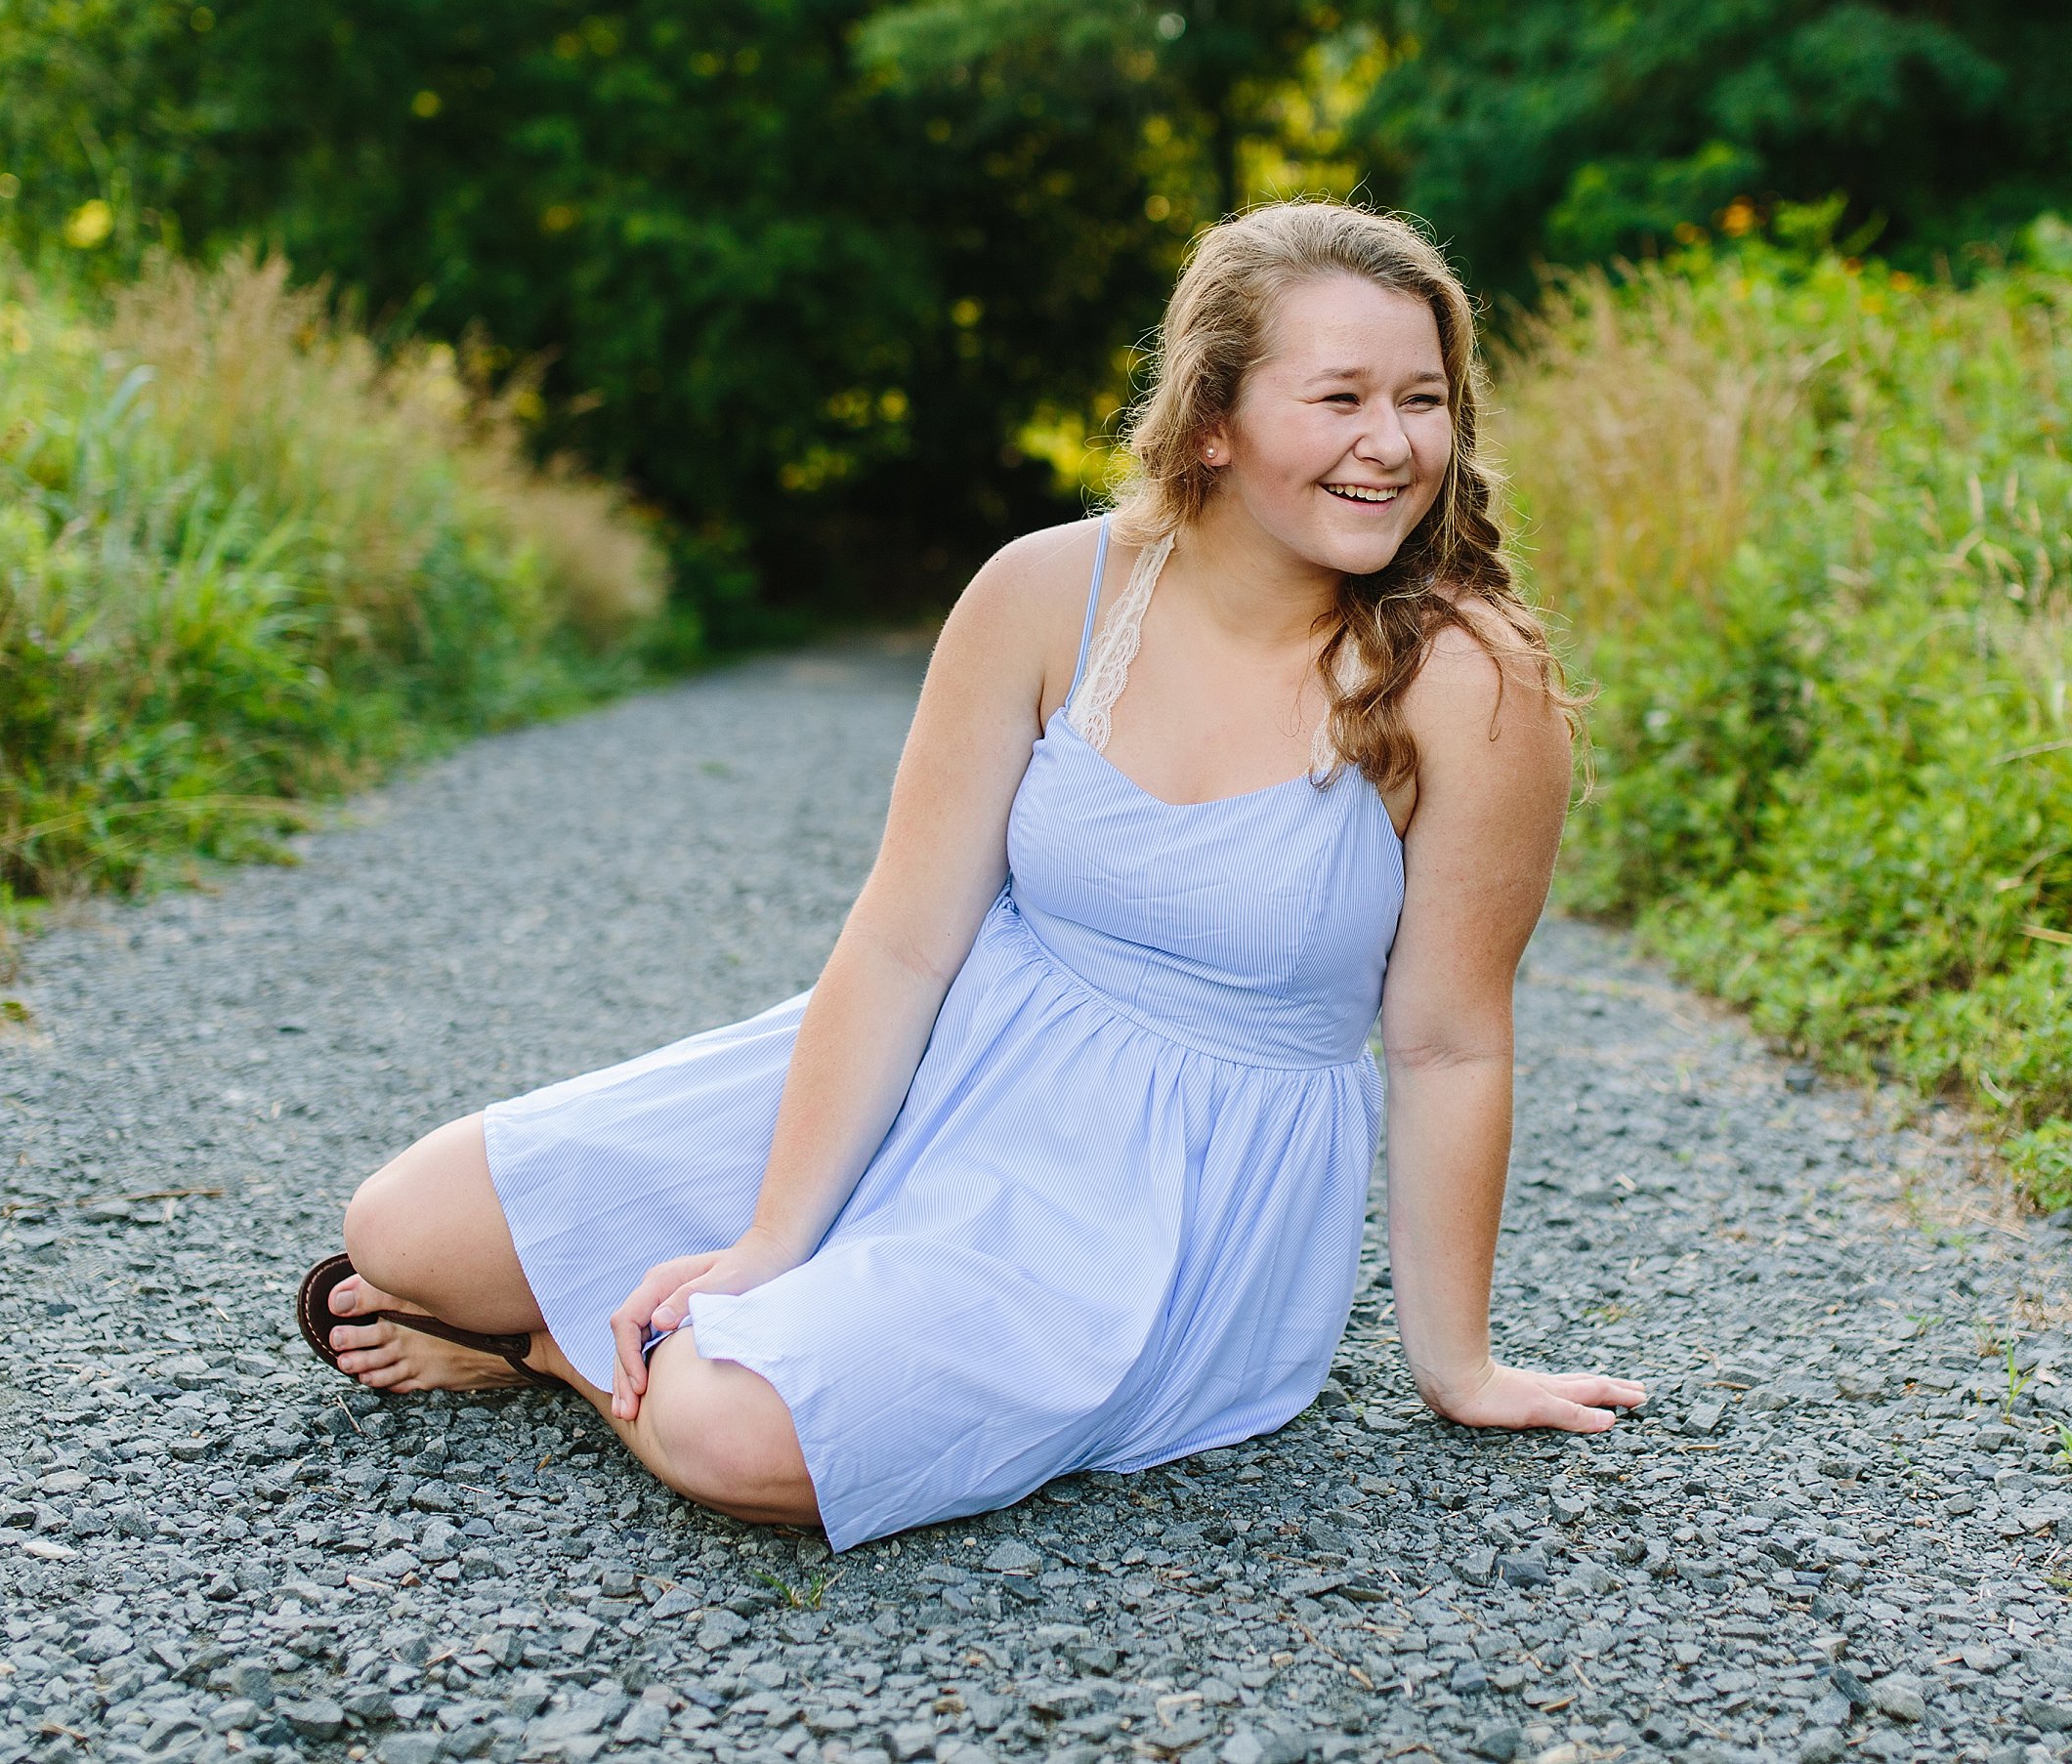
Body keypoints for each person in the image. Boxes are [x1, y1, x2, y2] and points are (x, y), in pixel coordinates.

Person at [300, 200, 1645, 1549]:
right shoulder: (1047, 591)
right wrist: (771, 1239)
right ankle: (709, 1308)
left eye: (1423, 399)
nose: (1394, 443)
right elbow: (903, 943)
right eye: (1341, 395)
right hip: (959, 1056)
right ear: (1215, 418)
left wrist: (1456, 1366)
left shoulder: (1467, 678)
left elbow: (1451, 1043)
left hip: (1163, 1188)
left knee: (728, 1426)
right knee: (403, 1227)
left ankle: (545, 1351)